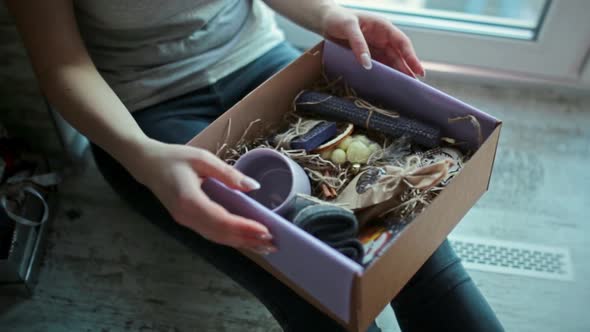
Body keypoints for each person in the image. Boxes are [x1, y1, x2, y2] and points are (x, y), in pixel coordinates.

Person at [6, 0, 504, 331]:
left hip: (267, 66)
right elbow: (62, 66)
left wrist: (327, 14)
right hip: (144, 116)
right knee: (312, 297)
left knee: (419, 260)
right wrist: (145, 158)